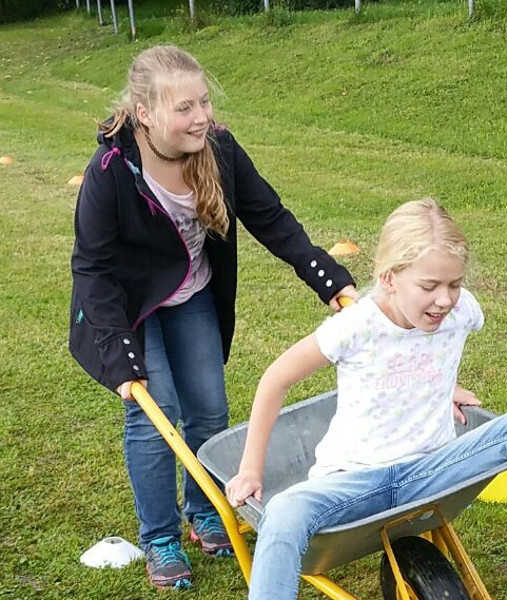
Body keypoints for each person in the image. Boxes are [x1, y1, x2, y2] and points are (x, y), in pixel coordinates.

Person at [68, 45, 358, 589]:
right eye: (184, 108)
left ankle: (206, 513)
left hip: (194, 295)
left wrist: (331, 281)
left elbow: (271, 219)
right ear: (145, 112)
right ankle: (159, 535)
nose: (200, 116)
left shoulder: (219, 150)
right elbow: (92, 269)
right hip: (128, 309)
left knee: (208, 409)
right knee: (156, 414)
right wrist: (121, 356)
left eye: (202, 102)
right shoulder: (111, 170)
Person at [226, 198, 507, 600]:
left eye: (454, 284)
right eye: (429, 286)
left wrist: (441, 388)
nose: (444, 299)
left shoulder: (461, 313)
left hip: (431, 471)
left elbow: (434, 354)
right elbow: (275, 379)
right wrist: (251, 469)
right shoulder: (356, 326)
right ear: (390, 278)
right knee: (283, 513)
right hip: (355, 482)